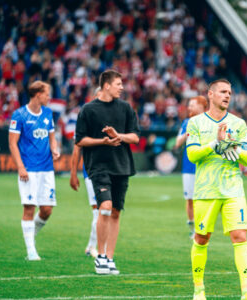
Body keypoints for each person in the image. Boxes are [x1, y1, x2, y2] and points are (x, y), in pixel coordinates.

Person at [186, 79, 247, 300]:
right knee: (201, 238)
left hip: (232, 190)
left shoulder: (238, 124)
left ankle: (246, 292)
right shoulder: (196, 123)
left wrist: (230, 144)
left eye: (229, 92)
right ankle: (198, 290)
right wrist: (214, 145)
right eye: (222, 92)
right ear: (210, 94)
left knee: (240, 236)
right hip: (206, 190)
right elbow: (192, 155)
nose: (227, 96)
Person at [75, 69, 140, 275]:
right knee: (105, 206)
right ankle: (100, 256)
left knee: (115, 212)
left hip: (122, 165)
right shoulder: (88, 110)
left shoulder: (126, 108)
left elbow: (135, 137)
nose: (122, 87)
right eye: (118, 84)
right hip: (98, 166)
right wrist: (103, 140)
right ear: (106, 85)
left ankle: (110, 258)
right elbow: (80, 140)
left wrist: (117, 135)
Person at [9, 81, 60, 261]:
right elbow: (12, 143)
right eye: (47, 94)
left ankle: (30, 237)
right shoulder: (20, 115)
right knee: (29, 208)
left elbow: (52, 138)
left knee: (47, 210)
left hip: (46, 168)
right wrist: (20, 167)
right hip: (28, 169)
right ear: (38, 94)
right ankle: (31, 251)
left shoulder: (48, 113)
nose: (49, 97)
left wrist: (55, 149)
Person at [69, 88, 102, 258]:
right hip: (91, 170)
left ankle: (92, 246)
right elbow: (77, 148)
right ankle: (93, 247)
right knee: (99, 210)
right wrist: (73, 173)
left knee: (106, 211)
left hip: (109, 170)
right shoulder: (85, 118)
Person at [174, 96, 208, 239]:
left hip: (205, 166)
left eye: (192, 105)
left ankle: (203, 228)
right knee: (190, 199)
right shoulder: (186, 122)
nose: (189, 108)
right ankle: (193, 227)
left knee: (203, 200)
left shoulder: (209, 122)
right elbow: (177, 143)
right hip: (189, 167)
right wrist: (187, 132)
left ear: (202, 106)